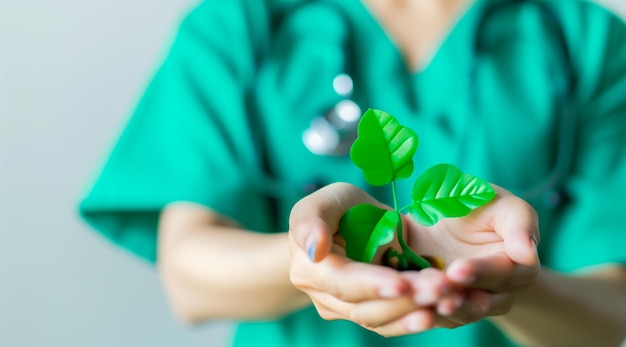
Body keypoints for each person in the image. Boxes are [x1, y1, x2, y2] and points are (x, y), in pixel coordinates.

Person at [78, 0, 626, 346]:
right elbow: (190, 280)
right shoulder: (238, 23)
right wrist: (314, 257)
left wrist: (511, 282)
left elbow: (611, 316)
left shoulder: (582, 38)